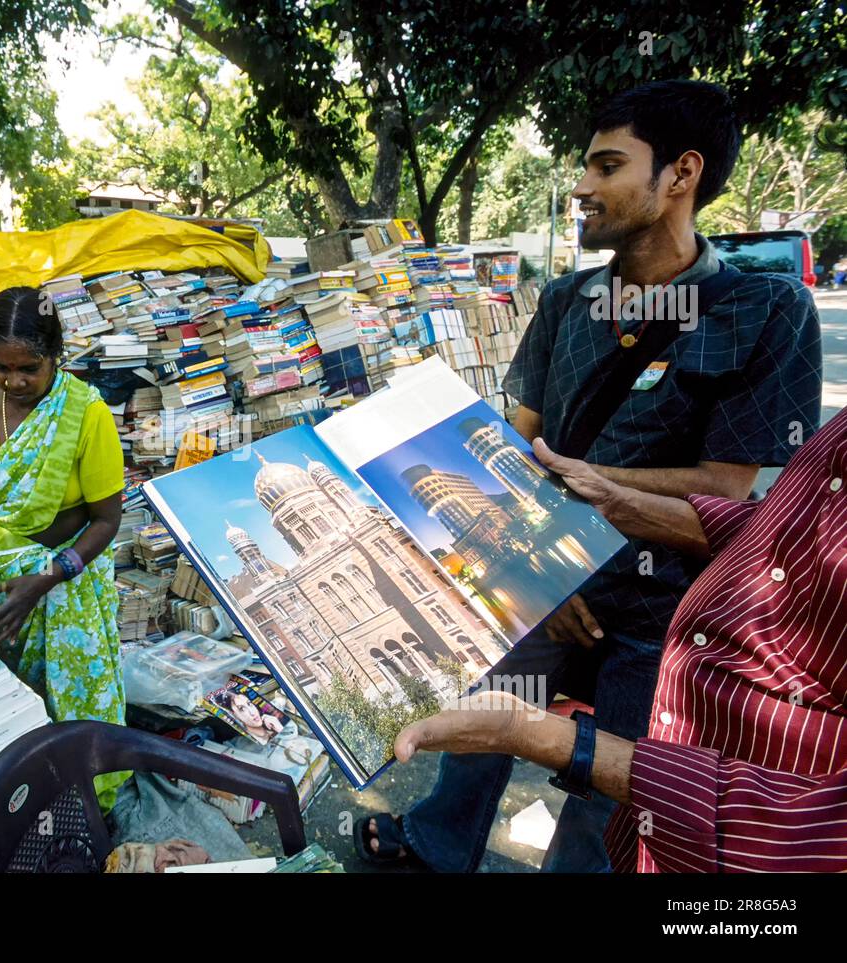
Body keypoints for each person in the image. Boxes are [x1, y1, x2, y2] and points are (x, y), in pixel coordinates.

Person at [357, 79, 823, 871]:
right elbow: (513, 442)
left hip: (664, 613)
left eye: (607, 166)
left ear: (680, 175)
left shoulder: (764, 310)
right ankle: (436, 845)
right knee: (490, 716)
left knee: (610, 792)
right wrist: (543, 571)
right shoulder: (570, 300)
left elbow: (725, 489)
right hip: (544, 581)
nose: (581, 187)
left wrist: (591, 492)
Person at [394, 411, 847, 872]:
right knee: (482, 734)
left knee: (603, 811)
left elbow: (809, 836)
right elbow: (782, 531)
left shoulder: (766, 336)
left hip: (666, 621)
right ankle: (437, 843)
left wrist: (534, 736)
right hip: (588, 605)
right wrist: (615, 503)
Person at [0, 286, 130, 809]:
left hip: (61, 587)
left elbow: (107, 519)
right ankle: (22, 808)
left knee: (73, 712)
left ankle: (88, 810)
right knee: (9, 711)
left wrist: (49, 577)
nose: (14, 382)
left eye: (29, 368)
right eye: (1, 367)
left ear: (56, 355)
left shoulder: (85, 414)